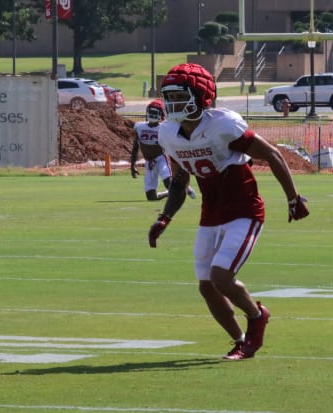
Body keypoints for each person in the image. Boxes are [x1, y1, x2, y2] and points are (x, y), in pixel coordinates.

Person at [147, 63, 309, 360]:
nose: (172, 105)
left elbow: (272, 154)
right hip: (210, 214)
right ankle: (239, 339)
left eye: (179, 97)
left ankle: (257, 315)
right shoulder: (169, 134)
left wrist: (293, 198)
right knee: (207, 287)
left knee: (221, 276)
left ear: (201, 97)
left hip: (243, 210)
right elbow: (181, 183)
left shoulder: (222, 124)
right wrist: (164, 217)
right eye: (168, 97)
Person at [130, 99, 196, 201]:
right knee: (151, 197)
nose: (152, 114)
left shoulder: (163, 128)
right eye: (151, 112)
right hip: (149, 162)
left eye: (154, 112)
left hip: (161, 158)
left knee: (168, 182)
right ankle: (170, 192)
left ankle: (184, 187)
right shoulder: (139, 127)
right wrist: (132, 165)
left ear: (161, 114)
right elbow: (135, 147)